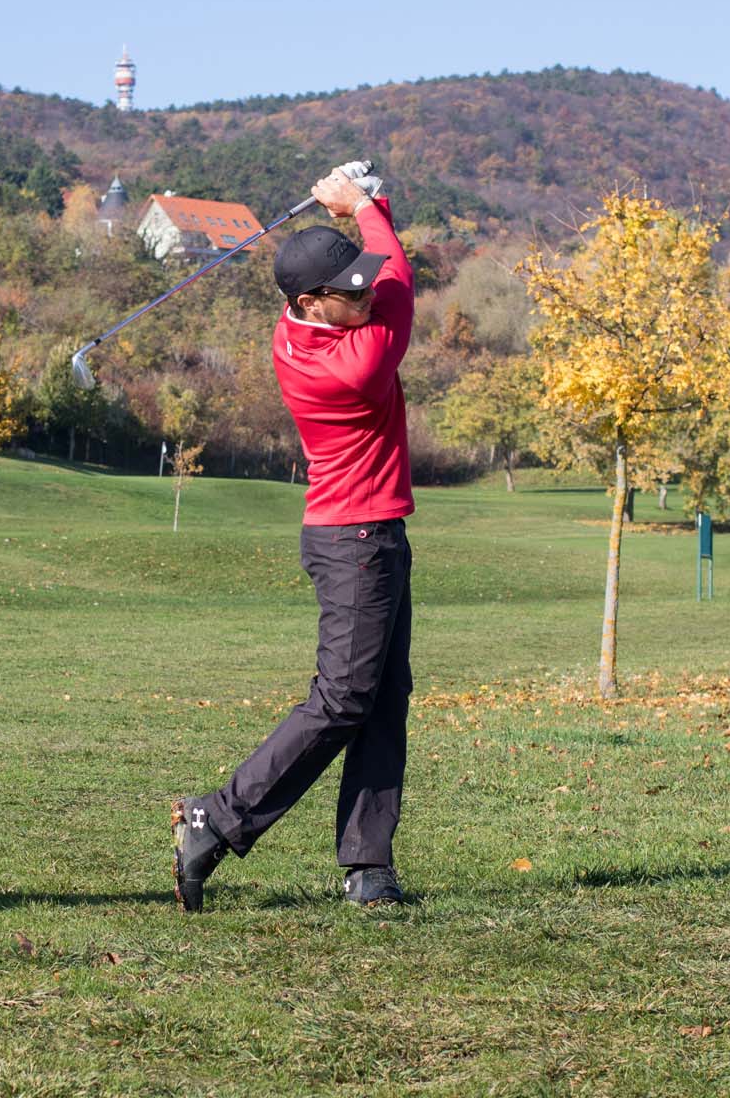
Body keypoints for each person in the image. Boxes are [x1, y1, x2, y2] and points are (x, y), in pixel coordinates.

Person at [173, 165, 416, 911]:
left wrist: (365, 208)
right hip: (354, 543)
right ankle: (216, 819)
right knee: (343, 698)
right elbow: (402, 281)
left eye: (362, 286)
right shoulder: (353, 363)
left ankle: (368, 865)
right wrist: (363, 203)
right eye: (350, 293)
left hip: (373, 533)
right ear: (309, 301)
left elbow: (383, 272)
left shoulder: (301, 327)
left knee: (382, 699)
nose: (366, 296)